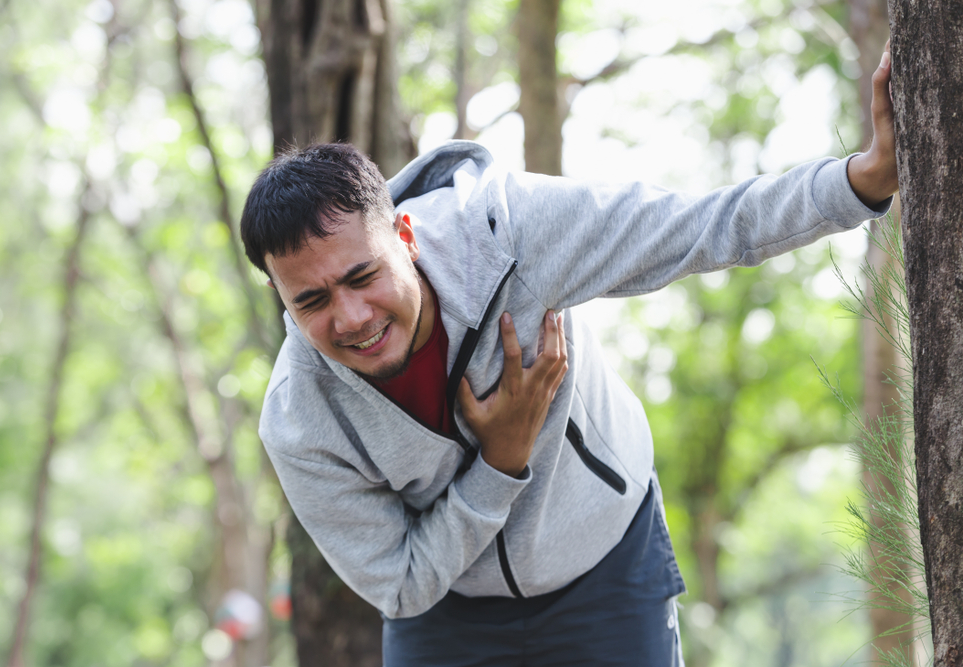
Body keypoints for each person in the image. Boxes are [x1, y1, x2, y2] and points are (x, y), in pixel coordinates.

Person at [239, 45, 897, 666]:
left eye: (363, 276)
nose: (352, 318)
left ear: (405, 236)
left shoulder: (508, 234)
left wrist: (860, 182)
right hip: (446, 611)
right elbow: (400, 581)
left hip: (606, 562)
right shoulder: (299, 418)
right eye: (312, 301)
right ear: (279, 295)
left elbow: (699, 226)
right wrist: (499, 463)